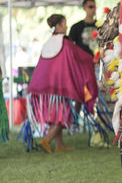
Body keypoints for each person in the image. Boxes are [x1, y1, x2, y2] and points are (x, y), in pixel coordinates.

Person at [25, 14, 98, 153]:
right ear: (57, 26)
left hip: (42, 87)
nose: (66, 27)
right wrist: (93, 59)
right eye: (64, 24)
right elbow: (80, 57)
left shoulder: (48, 43)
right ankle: (46, 140)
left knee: (56, 114)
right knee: (63, 113)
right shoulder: (65, 43)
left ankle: (60, 144)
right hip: (59, 86)